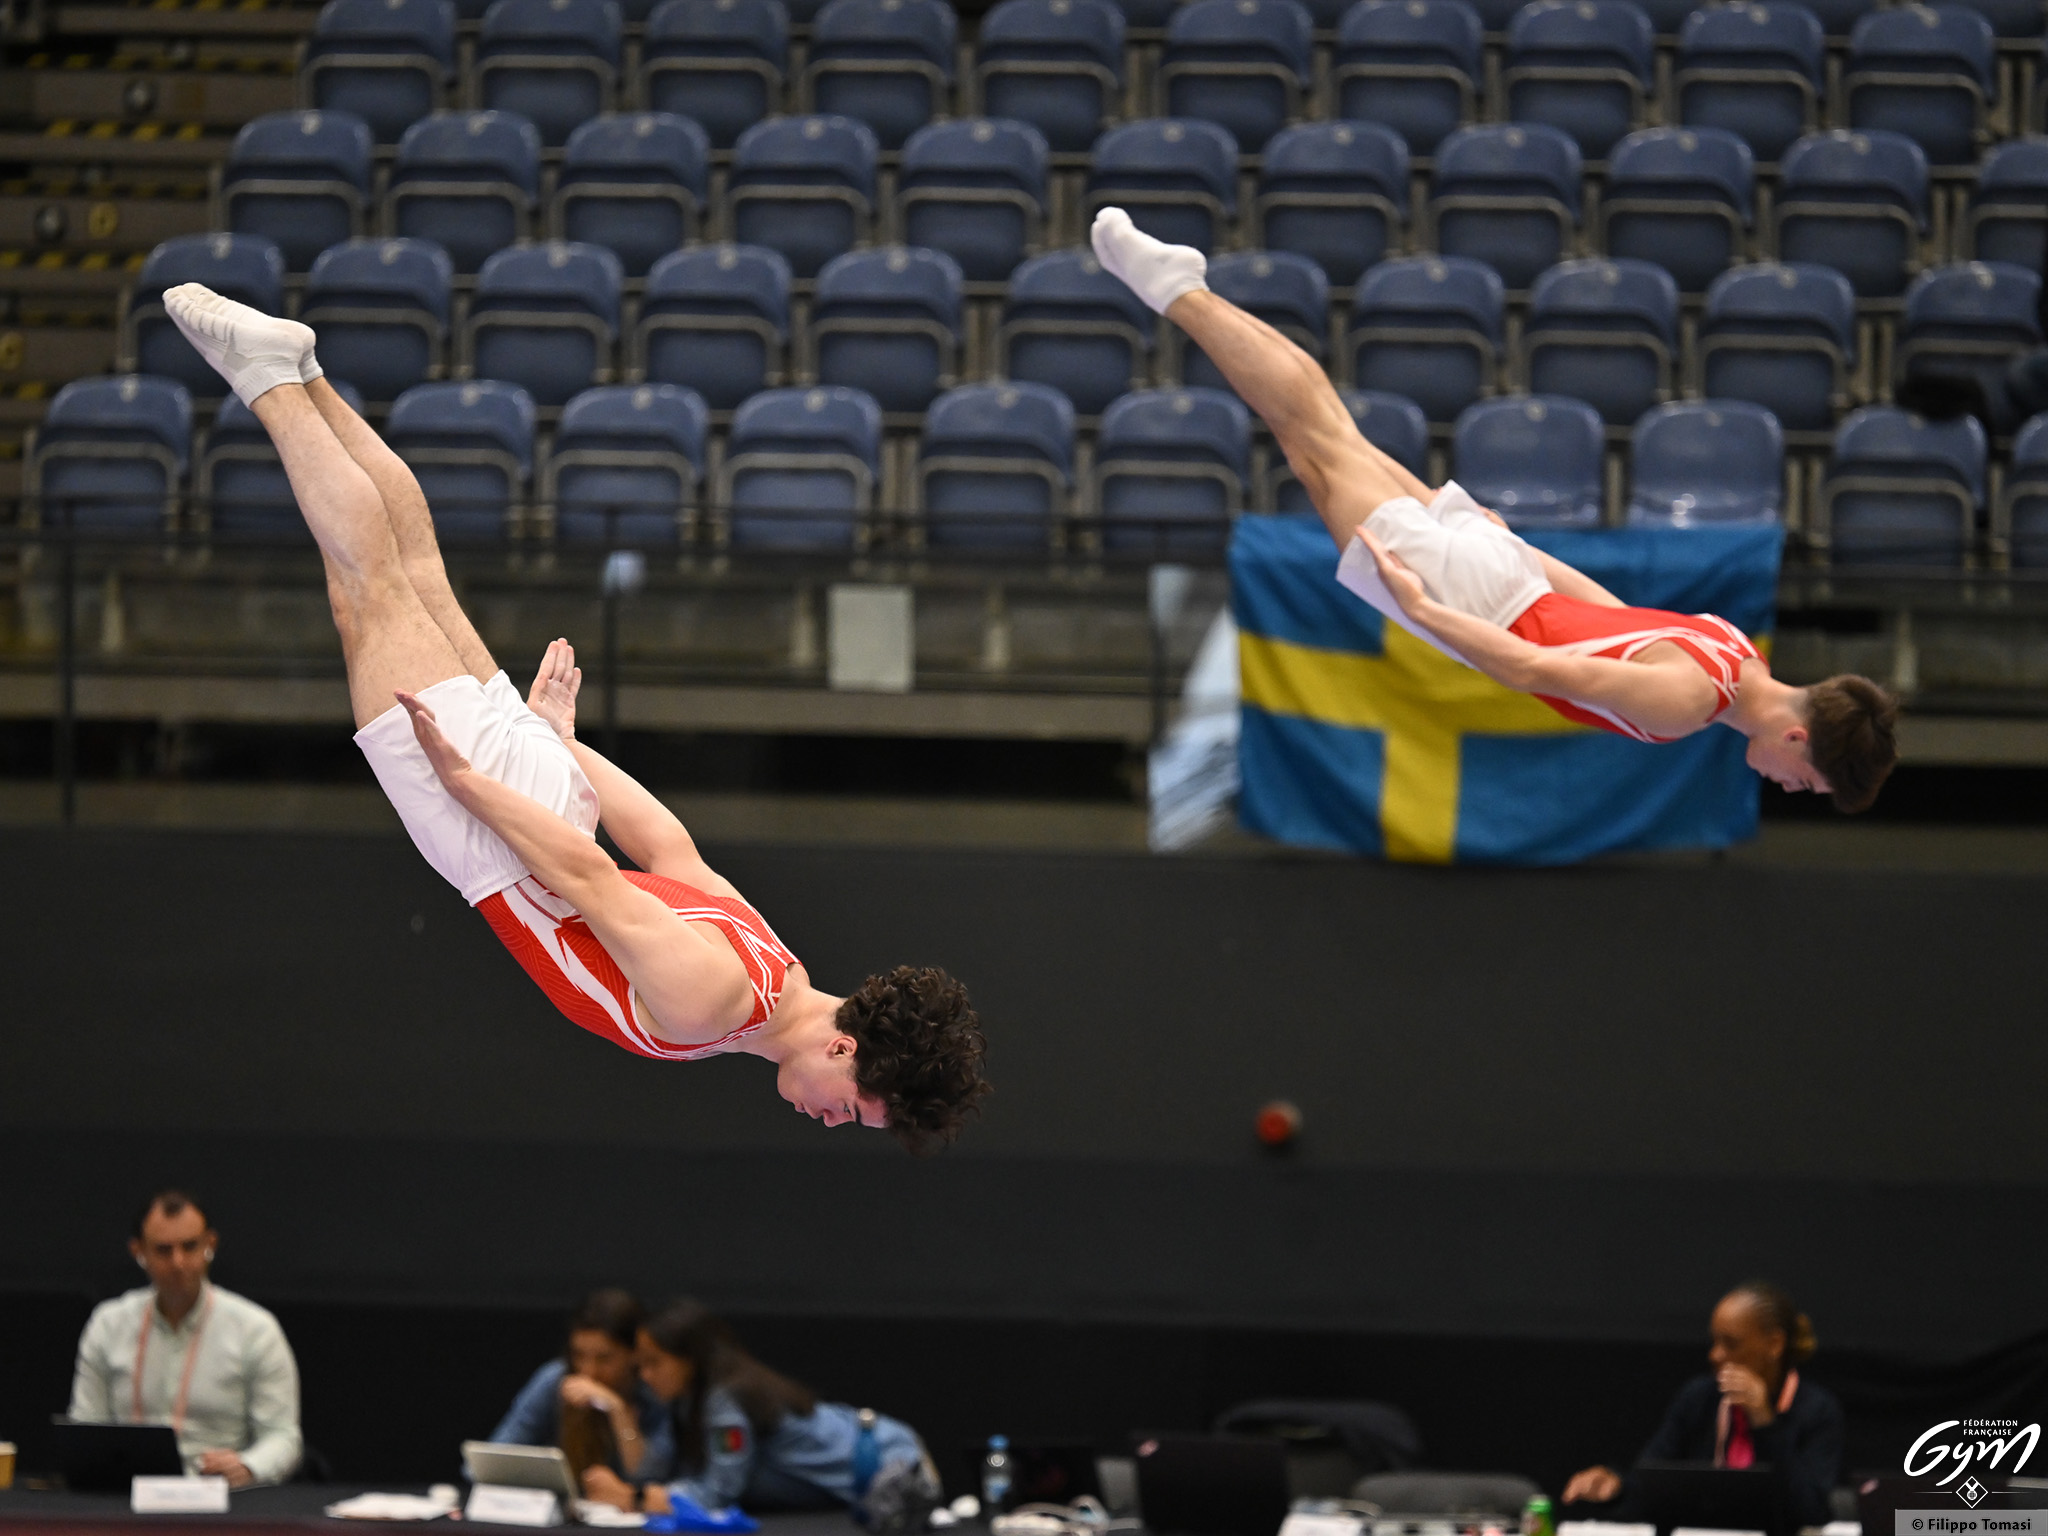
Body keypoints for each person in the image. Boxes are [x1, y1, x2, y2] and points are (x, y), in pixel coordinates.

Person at [156, 283, 991, 1153]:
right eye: (855, 1109)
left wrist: (563, 745)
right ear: (845, 1048)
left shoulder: (780, 970)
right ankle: (268, 381)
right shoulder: (714, 1006)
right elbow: (590, 878)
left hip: (542, 797)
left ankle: (306, 371)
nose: (832, 1120)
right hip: (506, 840)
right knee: (371, 587)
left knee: (411, 575)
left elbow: (669, 849)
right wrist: (470, 786)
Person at [1086, 209, 1900, 813]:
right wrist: (1425, 612)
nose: (1794, 786)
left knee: (1328, 437)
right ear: (1800, 740)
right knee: (1315, 440)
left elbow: (1608, 613)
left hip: (1505, 575)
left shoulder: (1732, 652)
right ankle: (1179, 290)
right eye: (1810, 781)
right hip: (1478, 602)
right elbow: (1530, 669)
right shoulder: (1692, 705)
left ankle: (1183, 287)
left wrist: (1517, 550)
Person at [580, 1298, 937, 1518]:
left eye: (654, 1363)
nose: (644, 1375)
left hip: (894, 1465)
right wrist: (619, 1412)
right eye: (640, 1364)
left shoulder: (725, 1402)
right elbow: (652, 1471)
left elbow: (718, 1493)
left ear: (689, 1360)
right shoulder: (685, 1402)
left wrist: (634, 1498)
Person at [1560, 1282, 1845, 1529]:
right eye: (1714, 1341)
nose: (1715, 1355)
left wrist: (1764, 1423)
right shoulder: (1700, 1397)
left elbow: (1810, 1512)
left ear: (1774, 1344)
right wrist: (1617, 1488)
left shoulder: (1817, 1410)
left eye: (1731, 1344)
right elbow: (1652, 1481)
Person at [67, 1189, 302, 1487]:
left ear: (210, 1244)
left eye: (190, 1247)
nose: (178, 1263)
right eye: (164, 1250)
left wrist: (248, 1466)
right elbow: (85, 1429)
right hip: (126, 1499)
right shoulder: (108, 1325)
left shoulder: (254, 1330)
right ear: (138, 1251)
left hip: (220, 1499)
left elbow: (283, 1436)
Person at [489, 1289, 675, 1483]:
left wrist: (618, 1410)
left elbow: (647, 1476)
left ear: (633, 1354)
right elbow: (496, 1456)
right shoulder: (555, 1379)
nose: (589, 1372)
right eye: (579, 1355)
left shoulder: (654, 1389)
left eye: (604, 1359)